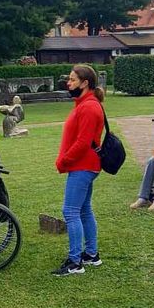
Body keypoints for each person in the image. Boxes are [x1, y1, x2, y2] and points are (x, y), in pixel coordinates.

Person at [51, 65, 106, 276]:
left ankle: (75, 262)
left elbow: (83, 142)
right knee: (83, 209)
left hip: (83, 165)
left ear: (85, 83)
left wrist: (64, 161)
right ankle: (91, 254)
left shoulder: (89, 107)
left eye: (73, 80)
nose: (69, 83)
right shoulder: (84, 104)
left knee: (70, 211)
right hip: (85, 165)